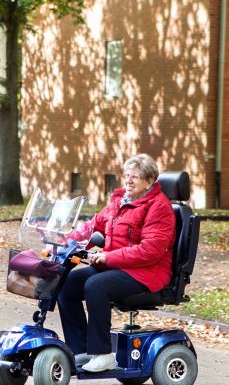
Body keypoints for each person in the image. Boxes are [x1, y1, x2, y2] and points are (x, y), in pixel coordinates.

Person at [57, 154, 175, 372]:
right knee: (67, 282)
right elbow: (93, 226)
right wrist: (64, 240)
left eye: (135, 177)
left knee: (96, 285)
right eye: (126, 176)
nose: (128, 181)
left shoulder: (159, 207)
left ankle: (102, 354)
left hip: (147, 272)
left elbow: (150, 251)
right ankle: (81, 349)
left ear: (149, 181)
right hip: (118, 266)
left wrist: (108, 257)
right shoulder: (120, 202)